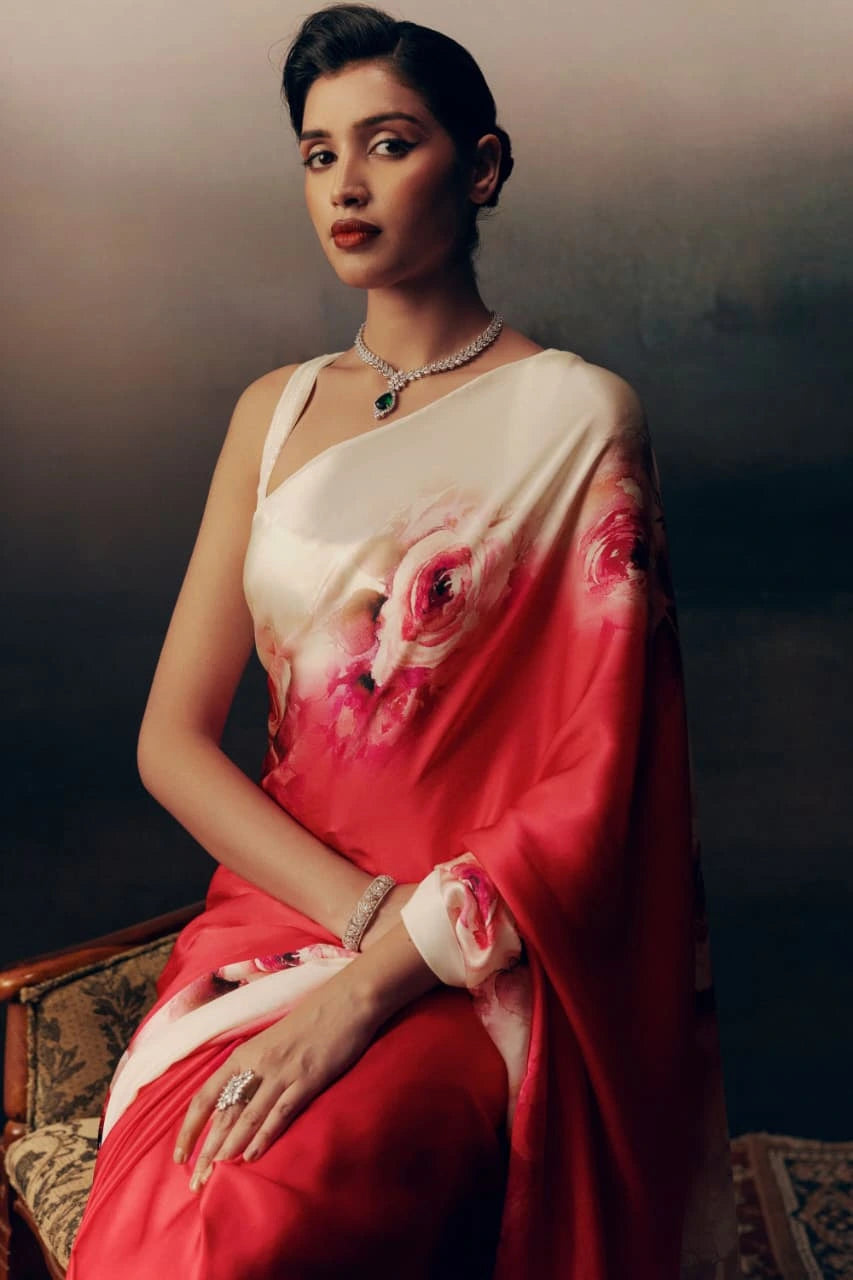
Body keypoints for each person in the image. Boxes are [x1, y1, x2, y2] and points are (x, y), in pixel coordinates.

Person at [66, 5, 740, 1278]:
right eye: (319, 153)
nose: (347, 184)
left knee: (271, 1218)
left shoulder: (578, 418)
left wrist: (385, 972)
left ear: (478, 167)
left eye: (388, 143)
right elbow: (171, 741)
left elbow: (601, 788)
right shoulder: (270, 415)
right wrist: (353, 916)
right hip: (280, 916)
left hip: (473, 951)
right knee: (187, 1205)